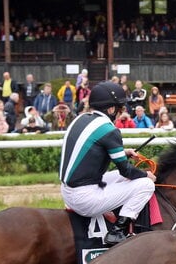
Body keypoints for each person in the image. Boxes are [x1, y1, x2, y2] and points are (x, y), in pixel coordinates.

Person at [59, 82, 156, 245]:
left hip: (68, 190)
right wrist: (146, 174)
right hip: (84, 199)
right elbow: (127, 171)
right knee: (146, 184)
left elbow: (93, 150)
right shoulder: (109, 130)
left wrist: (123, 152)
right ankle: (118, 231)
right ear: (111, 109)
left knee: (122, 177)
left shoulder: (81, 119)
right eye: (120, 108)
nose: (121, 112)